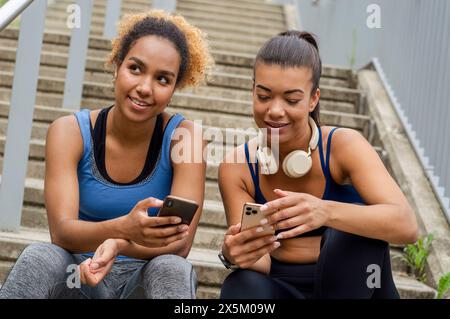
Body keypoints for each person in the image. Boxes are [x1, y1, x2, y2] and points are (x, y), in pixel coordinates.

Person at [0, 11, 212, 299]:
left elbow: (180, 244)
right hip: (82, 276)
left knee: (172, 268)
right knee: (41, 256)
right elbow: (62, 233)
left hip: (142, 281)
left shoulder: (185, 138)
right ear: (116, 67)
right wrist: (124, 227)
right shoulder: (69, 132)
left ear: (174, 89)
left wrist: (120, 244)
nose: (145, 88)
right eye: (135, 68)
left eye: (162, 79)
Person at [218, 30, 419, 299]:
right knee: (240, 285)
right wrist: (235, 253)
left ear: (313, 99)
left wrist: (324, 211)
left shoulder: (343, 146)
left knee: (351, 234)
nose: (275, 111)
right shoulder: (238, 166)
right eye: (264, 96)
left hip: (358, 284)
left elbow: (406, 226)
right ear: (252, 91)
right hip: (283, 286)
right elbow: (261, 262)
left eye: (291, 100)